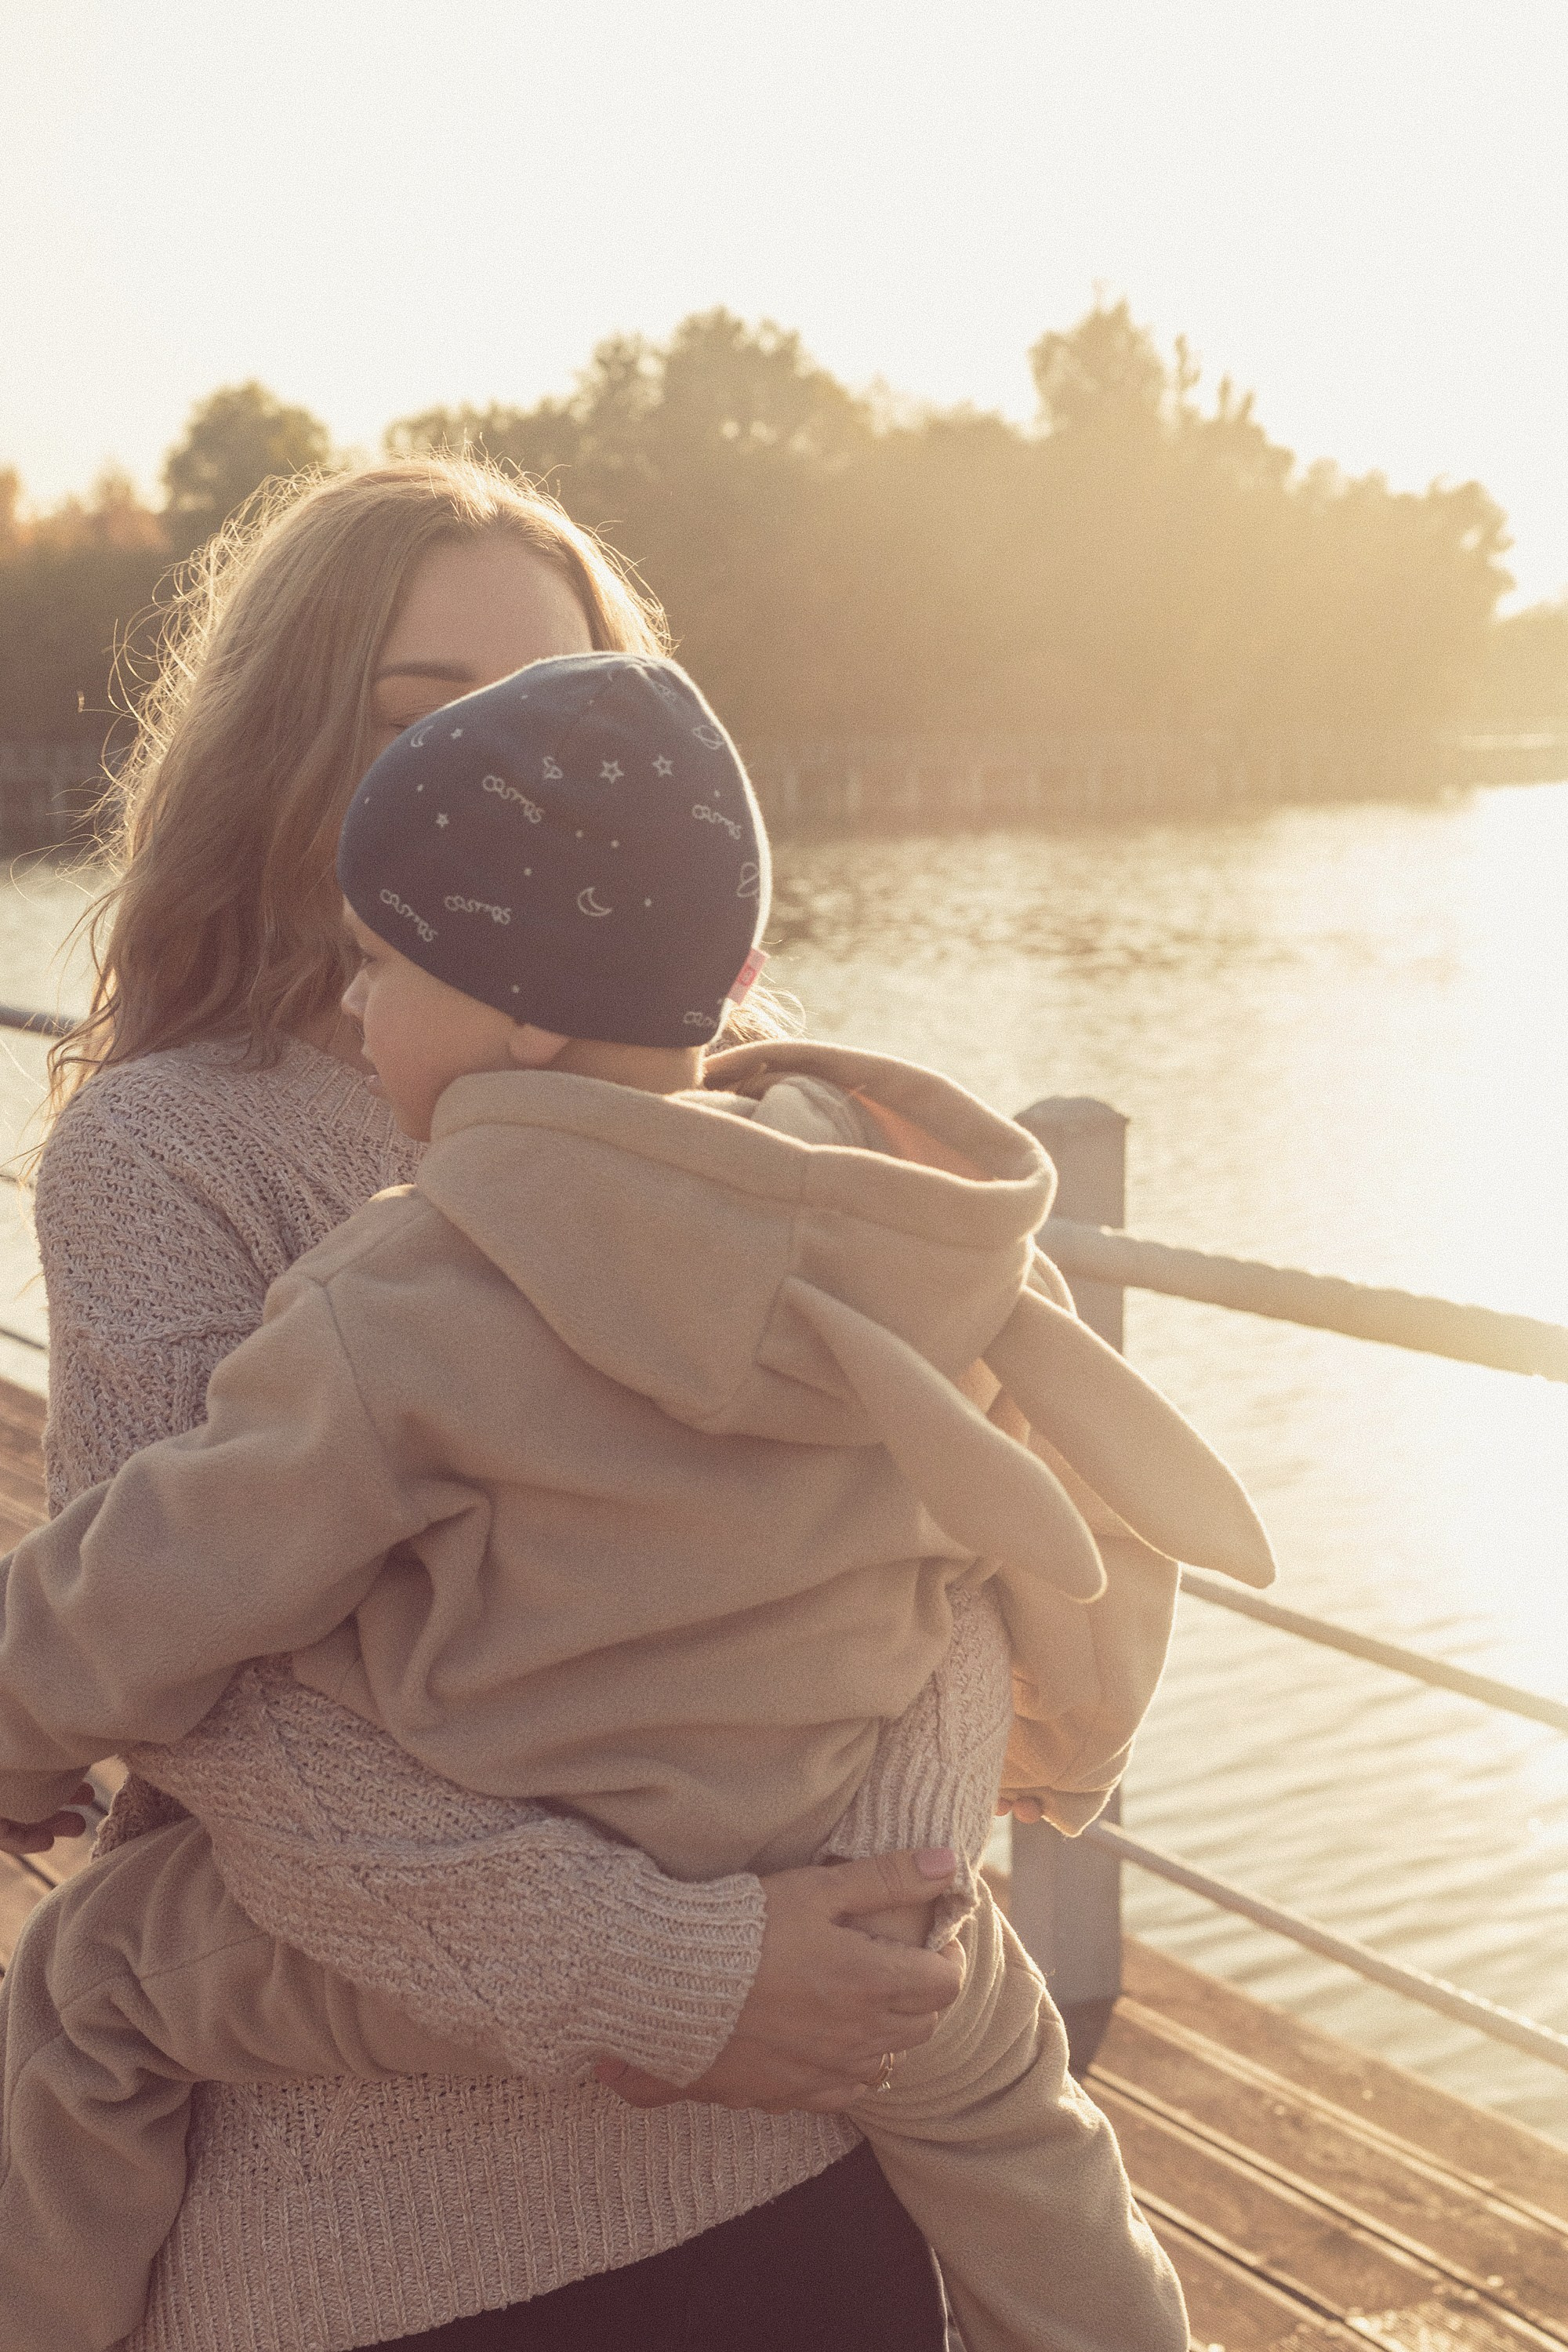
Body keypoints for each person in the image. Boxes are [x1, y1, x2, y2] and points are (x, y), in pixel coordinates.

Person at [0, 652, 1276, 2351]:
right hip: (823, 1854)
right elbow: (1068, 1499)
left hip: (522, 1858)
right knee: (1011, 2123)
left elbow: (179, 1567)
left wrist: (18, 1726)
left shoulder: (411, 1287)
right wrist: (1073, 1749)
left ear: (521, 1012)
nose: (360, 1007)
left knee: (89, 1990)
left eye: (385, 962)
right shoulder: (875, 1216)